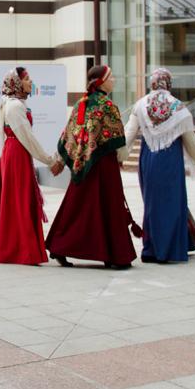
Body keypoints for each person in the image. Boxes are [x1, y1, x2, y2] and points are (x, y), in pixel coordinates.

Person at [46, 65, 137, 269]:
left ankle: (60, 246)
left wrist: (60, 161)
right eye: (110, 77)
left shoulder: (80, 104)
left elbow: (69, 133)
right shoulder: (107, 106)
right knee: (108, 206)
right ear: (100, 81)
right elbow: (118, 139)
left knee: (77, 206)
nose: (114, 80)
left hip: (82, 166)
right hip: (104, 165)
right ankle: (113, 254)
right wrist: (122, 157)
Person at [0, 68, 61, 265]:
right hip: (17, 152)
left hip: (15, 151)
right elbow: (27, 137)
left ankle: (12, 246)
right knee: (20, 198)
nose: (31, 82)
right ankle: (22, 249)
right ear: (16, 83)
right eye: (27, 79)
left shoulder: (13, 104)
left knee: (14, 198)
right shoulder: (14, 106)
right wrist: (49, 160)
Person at [123, 68, 195, 263]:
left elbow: (129, 133)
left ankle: (151, 249)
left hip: (149, 158)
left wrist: (119, 156)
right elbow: (190, 138)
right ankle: (170, 249)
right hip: (170, 160)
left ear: (151, 83)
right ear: (168, 83)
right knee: (173, 203)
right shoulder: (178, 107)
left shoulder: (141, 105)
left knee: (151, 204)